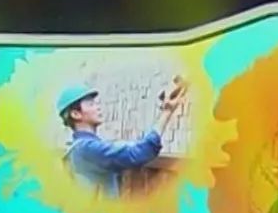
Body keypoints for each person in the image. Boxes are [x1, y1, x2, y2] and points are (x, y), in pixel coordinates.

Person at [58, 79, 186, 197]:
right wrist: (167, 111)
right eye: (91, 104)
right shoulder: (87, 148)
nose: (98, 107)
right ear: (76, 114)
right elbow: (140, 153)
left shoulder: (76, 149)